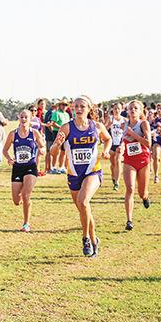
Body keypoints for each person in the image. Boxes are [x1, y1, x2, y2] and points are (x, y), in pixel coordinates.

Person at [50, 96, 111, 257]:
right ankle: (94, 238)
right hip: (74, 174)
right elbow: (53, 152)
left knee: (83, 202)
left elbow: (108, 139)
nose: (78, 109)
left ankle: (85, 239)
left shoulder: (96, 126)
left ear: (89, 108)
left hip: (93, 171)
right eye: (75, 106)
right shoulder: (66, 128)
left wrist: (105, 150)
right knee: (84, 210)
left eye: (82, 106)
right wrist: (57, 144)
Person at [2, 109, 45, 232]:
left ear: (31, 118)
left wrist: (41, 151)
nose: (24, 119)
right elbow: (4, 150)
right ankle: (23, 199)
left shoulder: (35, 133)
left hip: (30, 166)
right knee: (16, 201)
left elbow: (42, 146)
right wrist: (10, 159)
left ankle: (26, 223)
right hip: (17, 167)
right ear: (18, 118)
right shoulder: (13, 134)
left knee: (26, 195)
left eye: (26, 117)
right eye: (22, 117)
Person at [118, 100, 152, 231]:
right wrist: (120, 147)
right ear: (127, 111)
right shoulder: (124, 125)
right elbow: (123, 140)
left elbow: (148, 143)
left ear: (140, 111)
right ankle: (129, 220)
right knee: (130, 188)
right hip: (129, 160)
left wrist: (133, 134)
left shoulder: (143, 124)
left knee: (141, 192)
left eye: (135, 108)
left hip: (143, 160)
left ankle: (145, 197)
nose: (132, 110)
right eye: (130, 108)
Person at [105, 102, 125, 191]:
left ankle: (117, 183)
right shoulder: (110, 119)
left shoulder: (125, 120)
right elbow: (104, 130)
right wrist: (110, 124)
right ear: (112, 110)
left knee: (118, 161)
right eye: (115, 108)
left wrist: (123, 144)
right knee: (113, 164)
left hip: (120, 144)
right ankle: (113, 178)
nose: (116, 110)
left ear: (121, 110)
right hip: (111, 144)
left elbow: (127, 133)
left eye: (118, 109)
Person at [48, 99, 71, 173]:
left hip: (66, 134)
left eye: (66, 105)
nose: (64, 106)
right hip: (56, 132)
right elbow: (53, 123)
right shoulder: (56, 113)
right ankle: (54, 167)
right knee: (56, 150)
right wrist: (61, 128)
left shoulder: (67, 114)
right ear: (60, 105)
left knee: (64, 151)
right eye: (63, 105)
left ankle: (61, 167)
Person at [150, 103, 161, 183]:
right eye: (158, 108)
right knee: (155, 156)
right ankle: (156, 175)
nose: (159, 110)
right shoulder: (154, 120)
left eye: (160, 108)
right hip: (157, 140)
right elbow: (151, 129)